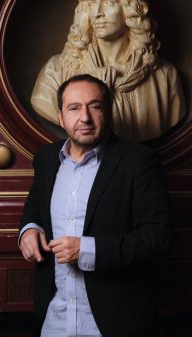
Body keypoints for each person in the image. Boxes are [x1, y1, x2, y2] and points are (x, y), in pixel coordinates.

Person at [18, 74, 171, 337]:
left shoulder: (139, 161)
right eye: (74, 108)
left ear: (107, 112)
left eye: (95, 106)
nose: (85, 118)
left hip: (114, 323)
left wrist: (87, 250)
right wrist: (29, 229)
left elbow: (159, 238)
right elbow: (35, 207)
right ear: (60, 116)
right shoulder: (46, 159)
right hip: (53, 320)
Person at [31, 0, 185, 143]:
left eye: (107, 3)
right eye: (91, 4)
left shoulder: (165, 76)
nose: (97, 13)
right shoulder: (55, 72)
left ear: (129, 8)